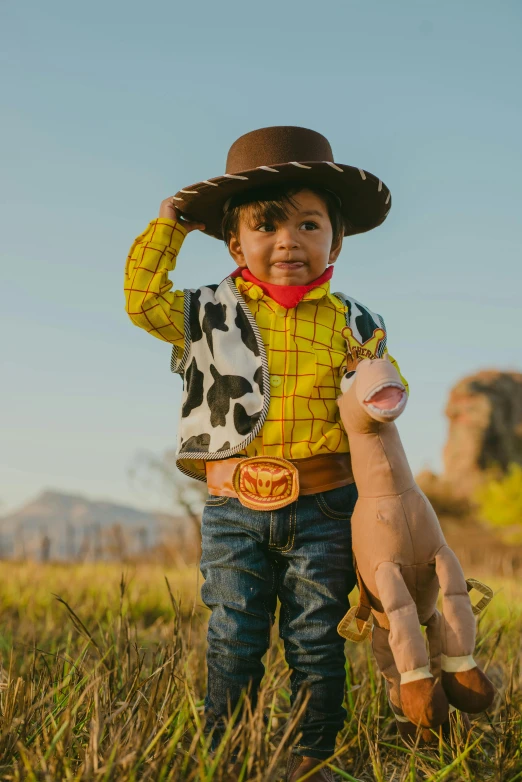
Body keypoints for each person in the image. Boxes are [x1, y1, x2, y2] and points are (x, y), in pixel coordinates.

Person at [124, 126, 407, 782]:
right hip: (233, 507)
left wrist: (383, 387)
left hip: (327, 506)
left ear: (335, 239)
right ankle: (227, 750)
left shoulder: (355, 321)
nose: (288, 242)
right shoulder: (204, 312)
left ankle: (313, 754)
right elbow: (142, 303)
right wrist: (167, 227)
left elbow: (382, 389)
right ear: (234, 242)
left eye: (309, 226)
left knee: (317, 640)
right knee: (233, 636)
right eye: (266, 227)